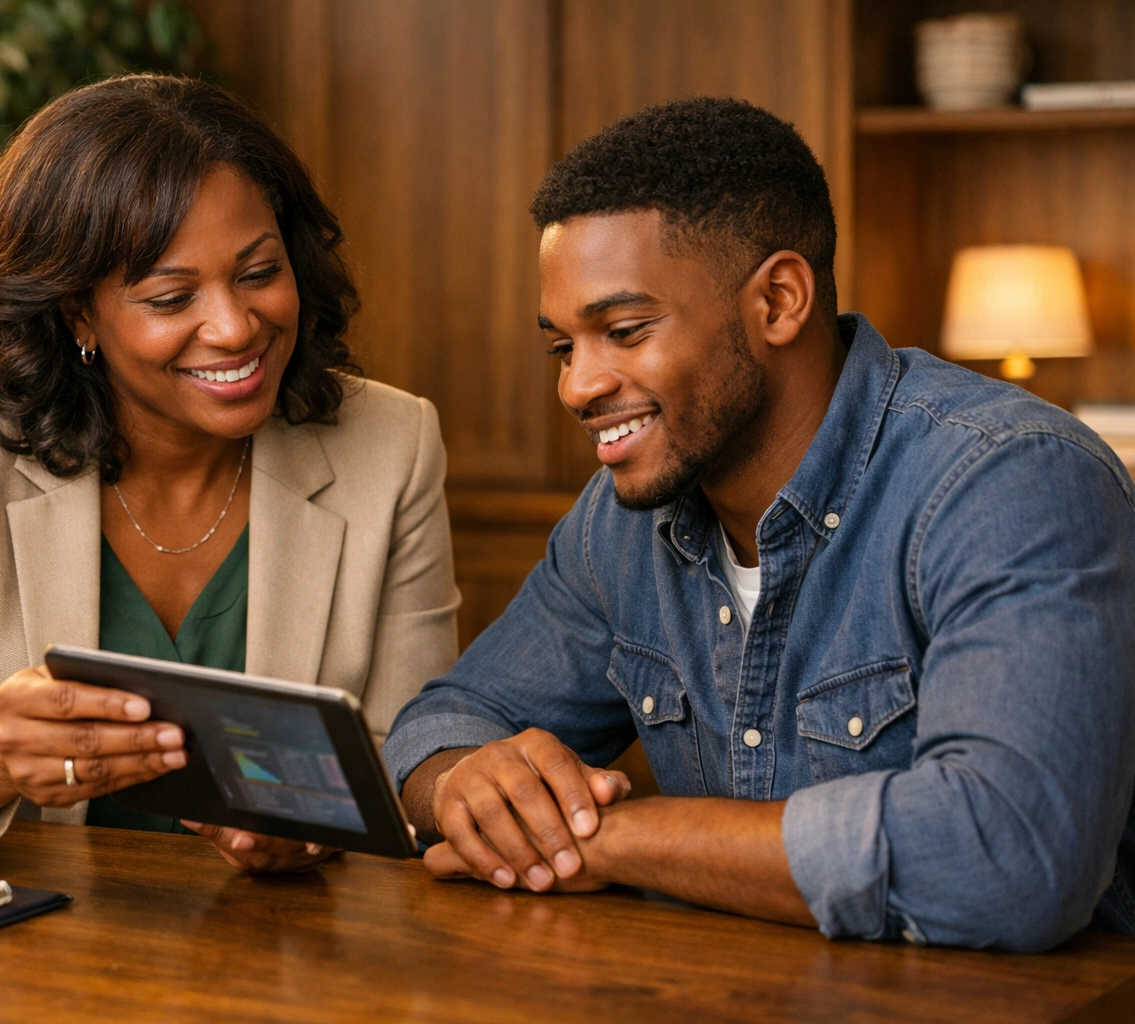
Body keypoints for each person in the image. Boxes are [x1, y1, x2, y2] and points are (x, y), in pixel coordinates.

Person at [383, 97, 1135, 951]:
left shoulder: (1010, 482)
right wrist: (466, 786)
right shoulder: (620, 521)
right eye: (563, 347)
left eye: (623, 331)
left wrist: (614, 839)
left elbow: (1008, 857)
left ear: (779, 300)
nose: (577, 387)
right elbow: (446, 721)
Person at [0, 74, 460, 872]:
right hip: (16, 960)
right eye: (171, 298)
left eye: (258, 272)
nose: (236, 327)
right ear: (76, 313)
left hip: (276, 957)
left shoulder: (390, 443)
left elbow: (412, 753)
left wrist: (311, 826)